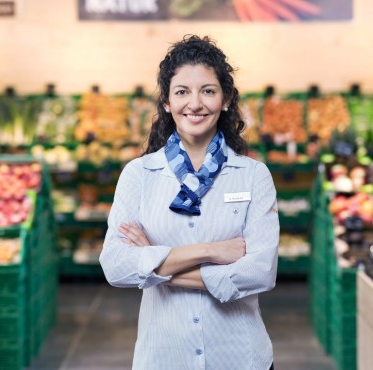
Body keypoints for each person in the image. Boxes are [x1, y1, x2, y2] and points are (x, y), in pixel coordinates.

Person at [99, 34, 279, 370]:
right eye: (182, 91)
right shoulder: (139, 175)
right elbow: (115, 266)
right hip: (164, 358)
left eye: (207, 90)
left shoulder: (254, 176)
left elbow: (260, 272)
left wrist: (154, 262)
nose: (194, 104)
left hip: (239, 357)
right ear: (167, 102)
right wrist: (210, 251)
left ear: (225, 99)